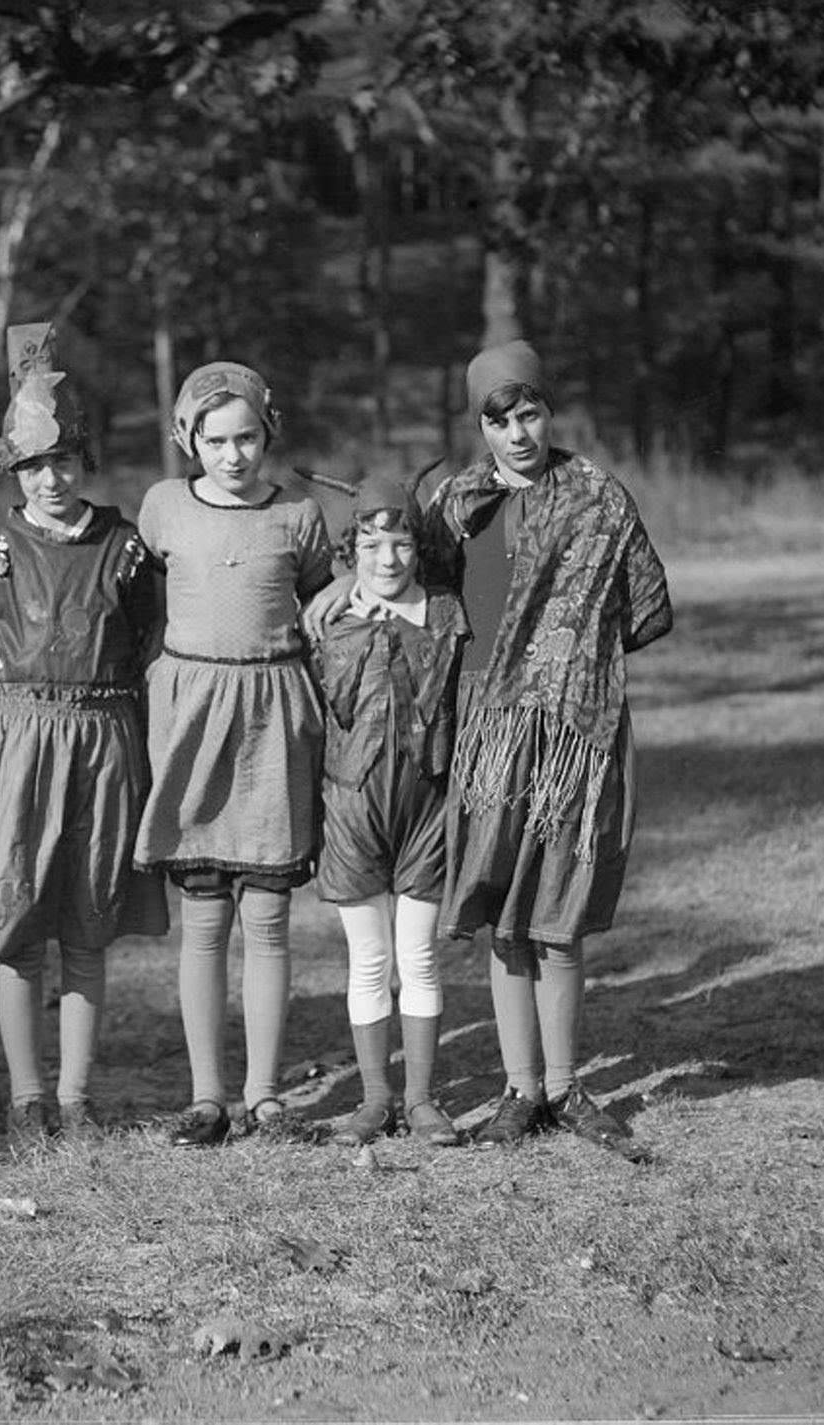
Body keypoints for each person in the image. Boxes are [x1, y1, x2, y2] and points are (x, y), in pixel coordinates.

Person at [0, 322, 169, 1143]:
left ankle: (75, 1093)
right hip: (12, 743)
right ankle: (25, 1094)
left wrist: (114, 712)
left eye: (64, 461)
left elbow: (148, 639)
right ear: (14, 471)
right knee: (17, 917)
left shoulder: (125, 548)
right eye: (35, 465)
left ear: (84, 461)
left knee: (87, 919)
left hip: (101, 740)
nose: (52, 479)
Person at [430, 340, 672, 1153]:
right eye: (499, 421)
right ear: (481, 428)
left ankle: (567, 1087)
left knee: (558, 914)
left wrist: (565, 659)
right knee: (504, 913)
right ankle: (519, 1087)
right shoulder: (459, 507)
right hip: (489, 736)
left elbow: (644, 608)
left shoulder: (600, 499)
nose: (518, 433)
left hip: (572, 729)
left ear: (549, 412)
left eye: (529, 413)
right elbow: (419, 595)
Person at [134, 360, 335, 1146]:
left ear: (268, 431)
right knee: (206, 914)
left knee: (270, 912)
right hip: (191, 715)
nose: (233, 455)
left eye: (246, 436)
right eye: (215, 440)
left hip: (273, 716)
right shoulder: (162, 509)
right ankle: (208, 1094)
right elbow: (140, 596)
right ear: (190, 439)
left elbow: (324, 593)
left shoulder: (298, 515)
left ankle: (266, 1093)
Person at [309, 474, 469, 1148]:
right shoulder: (325, 621)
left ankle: (423, 1098)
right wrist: (328, 588)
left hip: (426, 808)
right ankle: (375, 1097)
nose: (388, 558)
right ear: (352, 551)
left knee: (420, 956)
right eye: (371, 544)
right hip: (352, 805)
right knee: (369, 959)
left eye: (401, 542)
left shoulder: (451, 616)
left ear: (419, 547)